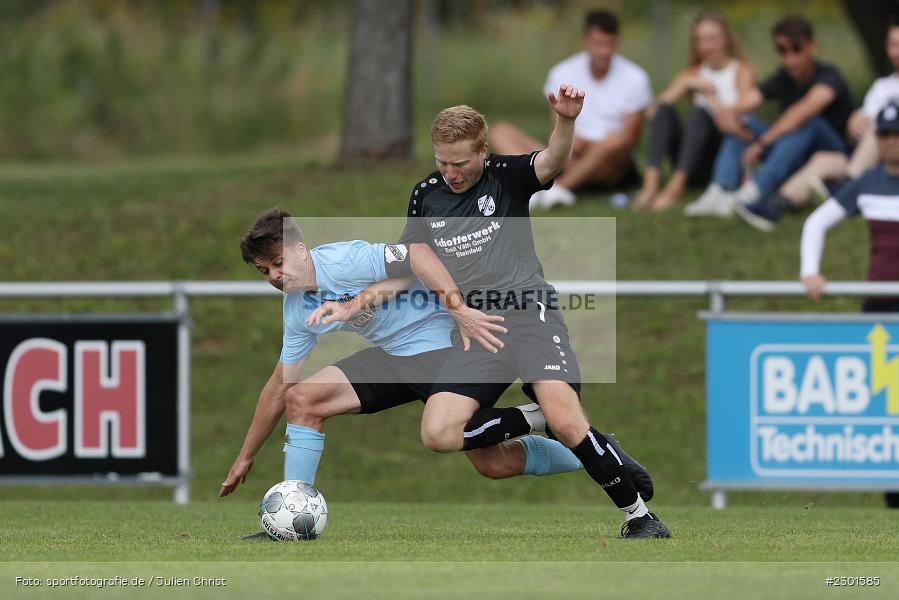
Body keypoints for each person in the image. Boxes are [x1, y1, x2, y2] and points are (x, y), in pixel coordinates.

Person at [219, 209, 654, 520]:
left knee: (494, 464)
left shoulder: (345, 260)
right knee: (302, 398)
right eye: (264, 271)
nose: (275, 276)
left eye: (278, 264)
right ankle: (296, 513)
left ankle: (582, 441)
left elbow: (420, 254)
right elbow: (279, 384)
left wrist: (456, 307)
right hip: (394, 360)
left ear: (299, 249)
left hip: (445, 346)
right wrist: (245, 457)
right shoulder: (297, 308)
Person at [396, 92, 668, 538]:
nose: (451, 173)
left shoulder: (507, 176)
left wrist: (565, 122)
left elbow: (554, 159)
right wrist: (353, 300)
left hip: (529, 314)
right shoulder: (426, 195)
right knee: (439, 432)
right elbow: (413, 258)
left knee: (567, 421)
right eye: (442, 162)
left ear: (484, 150)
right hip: (477, 328)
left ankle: (640, 517)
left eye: (460, 163)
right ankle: (539, 418)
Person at [799, 102, 899, 508]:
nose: (892, 143)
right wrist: (811, 271)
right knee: (888, 406)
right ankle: (894, 495)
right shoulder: (868, 181)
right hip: (879, 308)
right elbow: (816, 223)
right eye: (886, 135)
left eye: (897, 135)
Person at [691, 16, 852, 226]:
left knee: (808, 122)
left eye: (796, 50)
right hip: (793, 152)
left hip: (832, 156)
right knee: (744, 120)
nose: (790, 59)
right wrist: (728, 116)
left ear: (812, 47)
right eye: (783, 51)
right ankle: (721, 188)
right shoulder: (784, 77)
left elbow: (803, 111)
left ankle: (755, 191)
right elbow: (748, 100)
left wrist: (762, 142)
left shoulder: (830, 76)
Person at [488, 10, 651, 210]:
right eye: (598, 44)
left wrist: (588, 145)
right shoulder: (562, 72)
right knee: (500, 131)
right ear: (585, 40)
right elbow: (555, 131)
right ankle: (543, 187)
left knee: (615, 142)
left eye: (609, 45)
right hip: (568, 152)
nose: (604, 52)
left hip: (609, 161)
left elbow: (629, 140)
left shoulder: (635, 77)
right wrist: (570, 147)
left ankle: (555, 188)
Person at [752, 17, 899, 216]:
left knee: (877, 128)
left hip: (883, 160)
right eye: (893, 44)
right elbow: (863, 126)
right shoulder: (881, 88)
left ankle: (844, 192)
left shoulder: (829, 75)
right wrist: (854, 121)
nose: (897, 52)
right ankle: (776, 205)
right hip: (868, 161)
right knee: (825, 160)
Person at [633, 11, 755, 212]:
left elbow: (741, 125)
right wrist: (685, 85)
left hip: (722, 155)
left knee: (699, 113)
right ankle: (650, 185)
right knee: (665, 109)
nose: (706, 46)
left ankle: (675, 187)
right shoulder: (692, 73)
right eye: (700, 40)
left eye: (712, 39)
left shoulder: (741, 71)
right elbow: (652, 114)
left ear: (725, 39)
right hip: (692, 158)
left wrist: (712, 99)